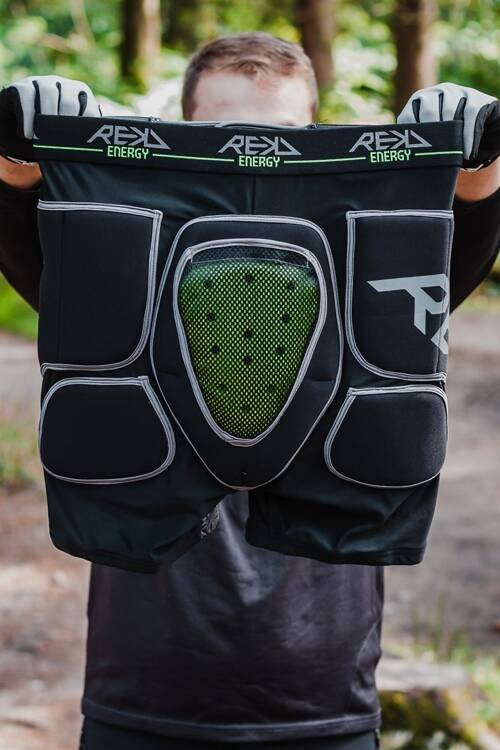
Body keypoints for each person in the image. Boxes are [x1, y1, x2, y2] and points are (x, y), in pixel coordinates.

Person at [0, 32, 499, 750]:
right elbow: (30, 228)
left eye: (283, 140)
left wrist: (474, 156)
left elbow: (463, 228)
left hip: (325, 705)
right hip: (140, 702)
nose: (252, 166)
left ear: (316, 138)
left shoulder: (374, 286)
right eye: (223, 139)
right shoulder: (119, 280)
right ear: (183, 135)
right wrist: (26, 155)